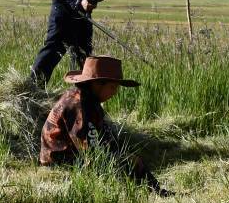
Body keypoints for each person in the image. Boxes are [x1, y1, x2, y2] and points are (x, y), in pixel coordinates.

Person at [40, 56, 172, 195]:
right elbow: (91, 151)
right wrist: (119, 161)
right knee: (130, 162)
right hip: (62, 163)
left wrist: (119, 153)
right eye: (113, 87)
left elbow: (103, 136)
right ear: (97, 84)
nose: (115, 92)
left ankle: (153, 191)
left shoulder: (88, 99)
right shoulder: (78, 105)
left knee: (128, 158)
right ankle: (155, 192)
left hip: (76, 156)